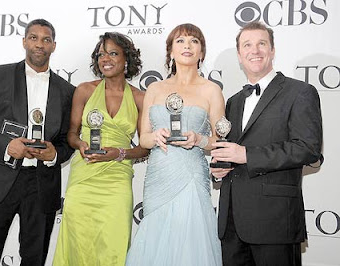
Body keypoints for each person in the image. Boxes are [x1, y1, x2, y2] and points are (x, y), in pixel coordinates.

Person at [0, 19, 75, 266]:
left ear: (54, 46)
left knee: (34, 259)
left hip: (41, 185)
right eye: (33, 38)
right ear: (24, 41)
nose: (39, 45)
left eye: (46, 40)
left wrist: (55, 155)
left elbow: (68, 141)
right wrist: (6, 146)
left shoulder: (67, 90)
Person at [210, 21, 323, 266]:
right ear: (240, 55)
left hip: (275, 222)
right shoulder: (233, 101)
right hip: (232, 224)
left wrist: (248, 155)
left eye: (262, 43)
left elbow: (308, 148)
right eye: (247, 45)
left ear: (272, 50)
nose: (255, 50)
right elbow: (232, 151)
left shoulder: (300, 92)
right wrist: (219, 170)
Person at [125, 23, 224, 266]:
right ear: (170, 51)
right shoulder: (155, 89)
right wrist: (156, 136)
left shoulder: (211, 90)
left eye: (194, 41)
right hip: (159, 177)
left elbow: (220, 141)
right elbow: (144, 139)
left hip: (191, 176)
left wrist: (198, 139)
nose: (187, 45)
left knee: (191, 246)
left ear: (201, 52)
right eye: (180, 41)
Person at [53, 32, 149, 266]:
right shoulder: (85, 90)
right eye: (100, 54)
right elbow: (72, 134)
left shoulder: (139, 98)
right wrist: (80, 144)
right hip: (84, 177)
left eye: (113, 53)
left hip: (117, 181)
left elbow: (145, 148)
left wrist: (120, 153)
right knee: (77, 243)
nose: (105, 59)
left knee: (113, 244)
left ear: (127, 59)